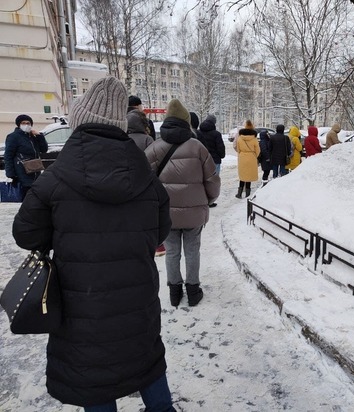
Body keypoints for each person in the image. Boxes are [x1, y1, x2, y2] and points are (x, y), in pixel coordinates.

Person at [11, 77, 175, 411]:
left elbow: (25, 234)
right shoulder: (146, 178)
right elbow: (159, 234)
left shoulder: (55, 178)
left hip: (80, 307)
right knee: (145, 363)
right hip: (136, 300)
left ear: (79, 121)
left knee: (93, 378)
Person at [145, 99, 220, 307]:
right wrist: (208, 200)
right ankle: (193, 291)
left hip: (166, 214)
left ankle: (174, 292)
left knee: (172, 252)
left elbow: (145, 183)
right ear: (186, 122)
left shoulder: (154, 148)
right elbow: (212, 180)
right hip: (194, 214)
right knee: (192, 250)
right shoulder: (198, 147)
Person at [4, 114, 48, 200]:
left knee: (35, 196)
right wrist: (11, 174)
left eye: (28, 123)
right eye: (23, 123)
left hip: (35, 170)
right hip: (22, 172)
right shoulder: (14, 137)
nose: (26, 125)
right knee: (27, 197)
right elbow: (8, 155)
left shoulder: (32, 136)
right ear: (19, 124)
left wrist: (39, 136)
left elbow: (44, 149)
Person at [199, 114, 226, 207]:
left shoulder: (199, 132)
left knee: (202, 180)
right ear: (214, 123)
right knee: (213, 181)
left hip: (202, 160)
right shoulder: (216, 134)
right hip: (214, 161)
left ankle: (202, 199)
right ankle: (210, 201)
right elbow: (220, 148)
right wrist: (221, 155)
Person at [234, 119, 260, 198]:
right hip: (251, 158)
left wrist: (242, 154)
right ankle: (248, 194)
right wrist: (254, 156)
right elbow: (258, 150)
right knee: (249, 176)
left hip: (242, 157)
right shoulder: (254, 138)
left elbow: (238, 149)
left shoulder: (240, 138)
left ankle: (239, 193)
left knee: (243, 175)